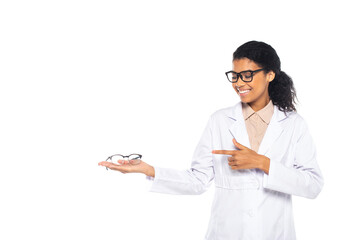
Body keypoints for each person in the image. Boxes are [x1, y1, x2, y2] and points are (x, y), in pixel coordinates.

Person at [98, 40, 324, 240]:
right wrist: (148, 170)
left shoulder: (294, 124)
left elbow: (313, 185)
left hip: (275, 233)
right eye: (235, 76)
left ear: (270, 74)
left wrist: (262, 163)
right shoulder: (220, 121)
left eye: (247, 75)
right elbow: (198, 180)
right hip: (225, 232)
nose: (239, 83)